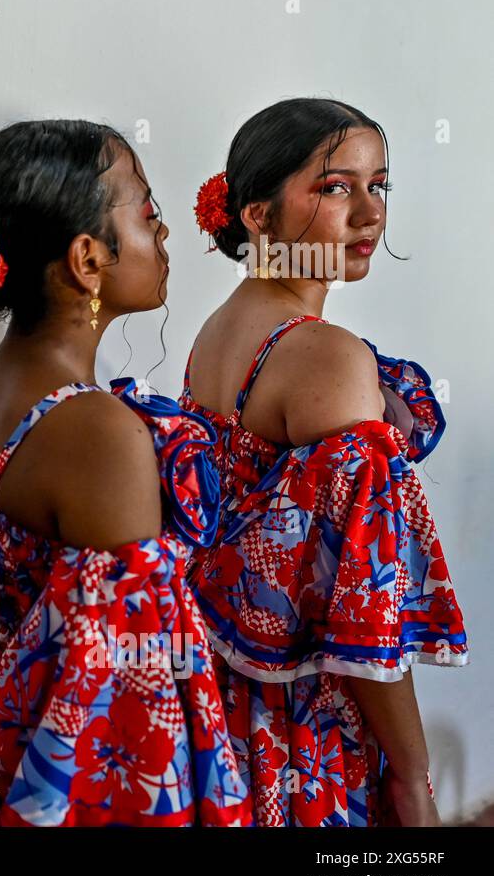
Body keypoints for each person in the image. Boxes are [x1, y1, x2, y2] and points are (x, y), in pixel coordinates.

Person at [0, 119, 250, 826]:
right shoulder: (97, 432)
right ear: (87, 258)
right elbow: (124, 694)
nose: (164, 236)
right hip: (43, 765)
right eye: (149, 214)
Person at [181, 97, 468, 826]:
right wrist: (413, 778)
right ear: (257, 214)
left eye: (381, 185)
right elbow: (361, 618)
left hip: (214, 704)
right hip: (294, 727)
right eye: (336, 187)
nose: (370, 214)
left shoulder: (221, 329)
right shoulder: (321, 356)